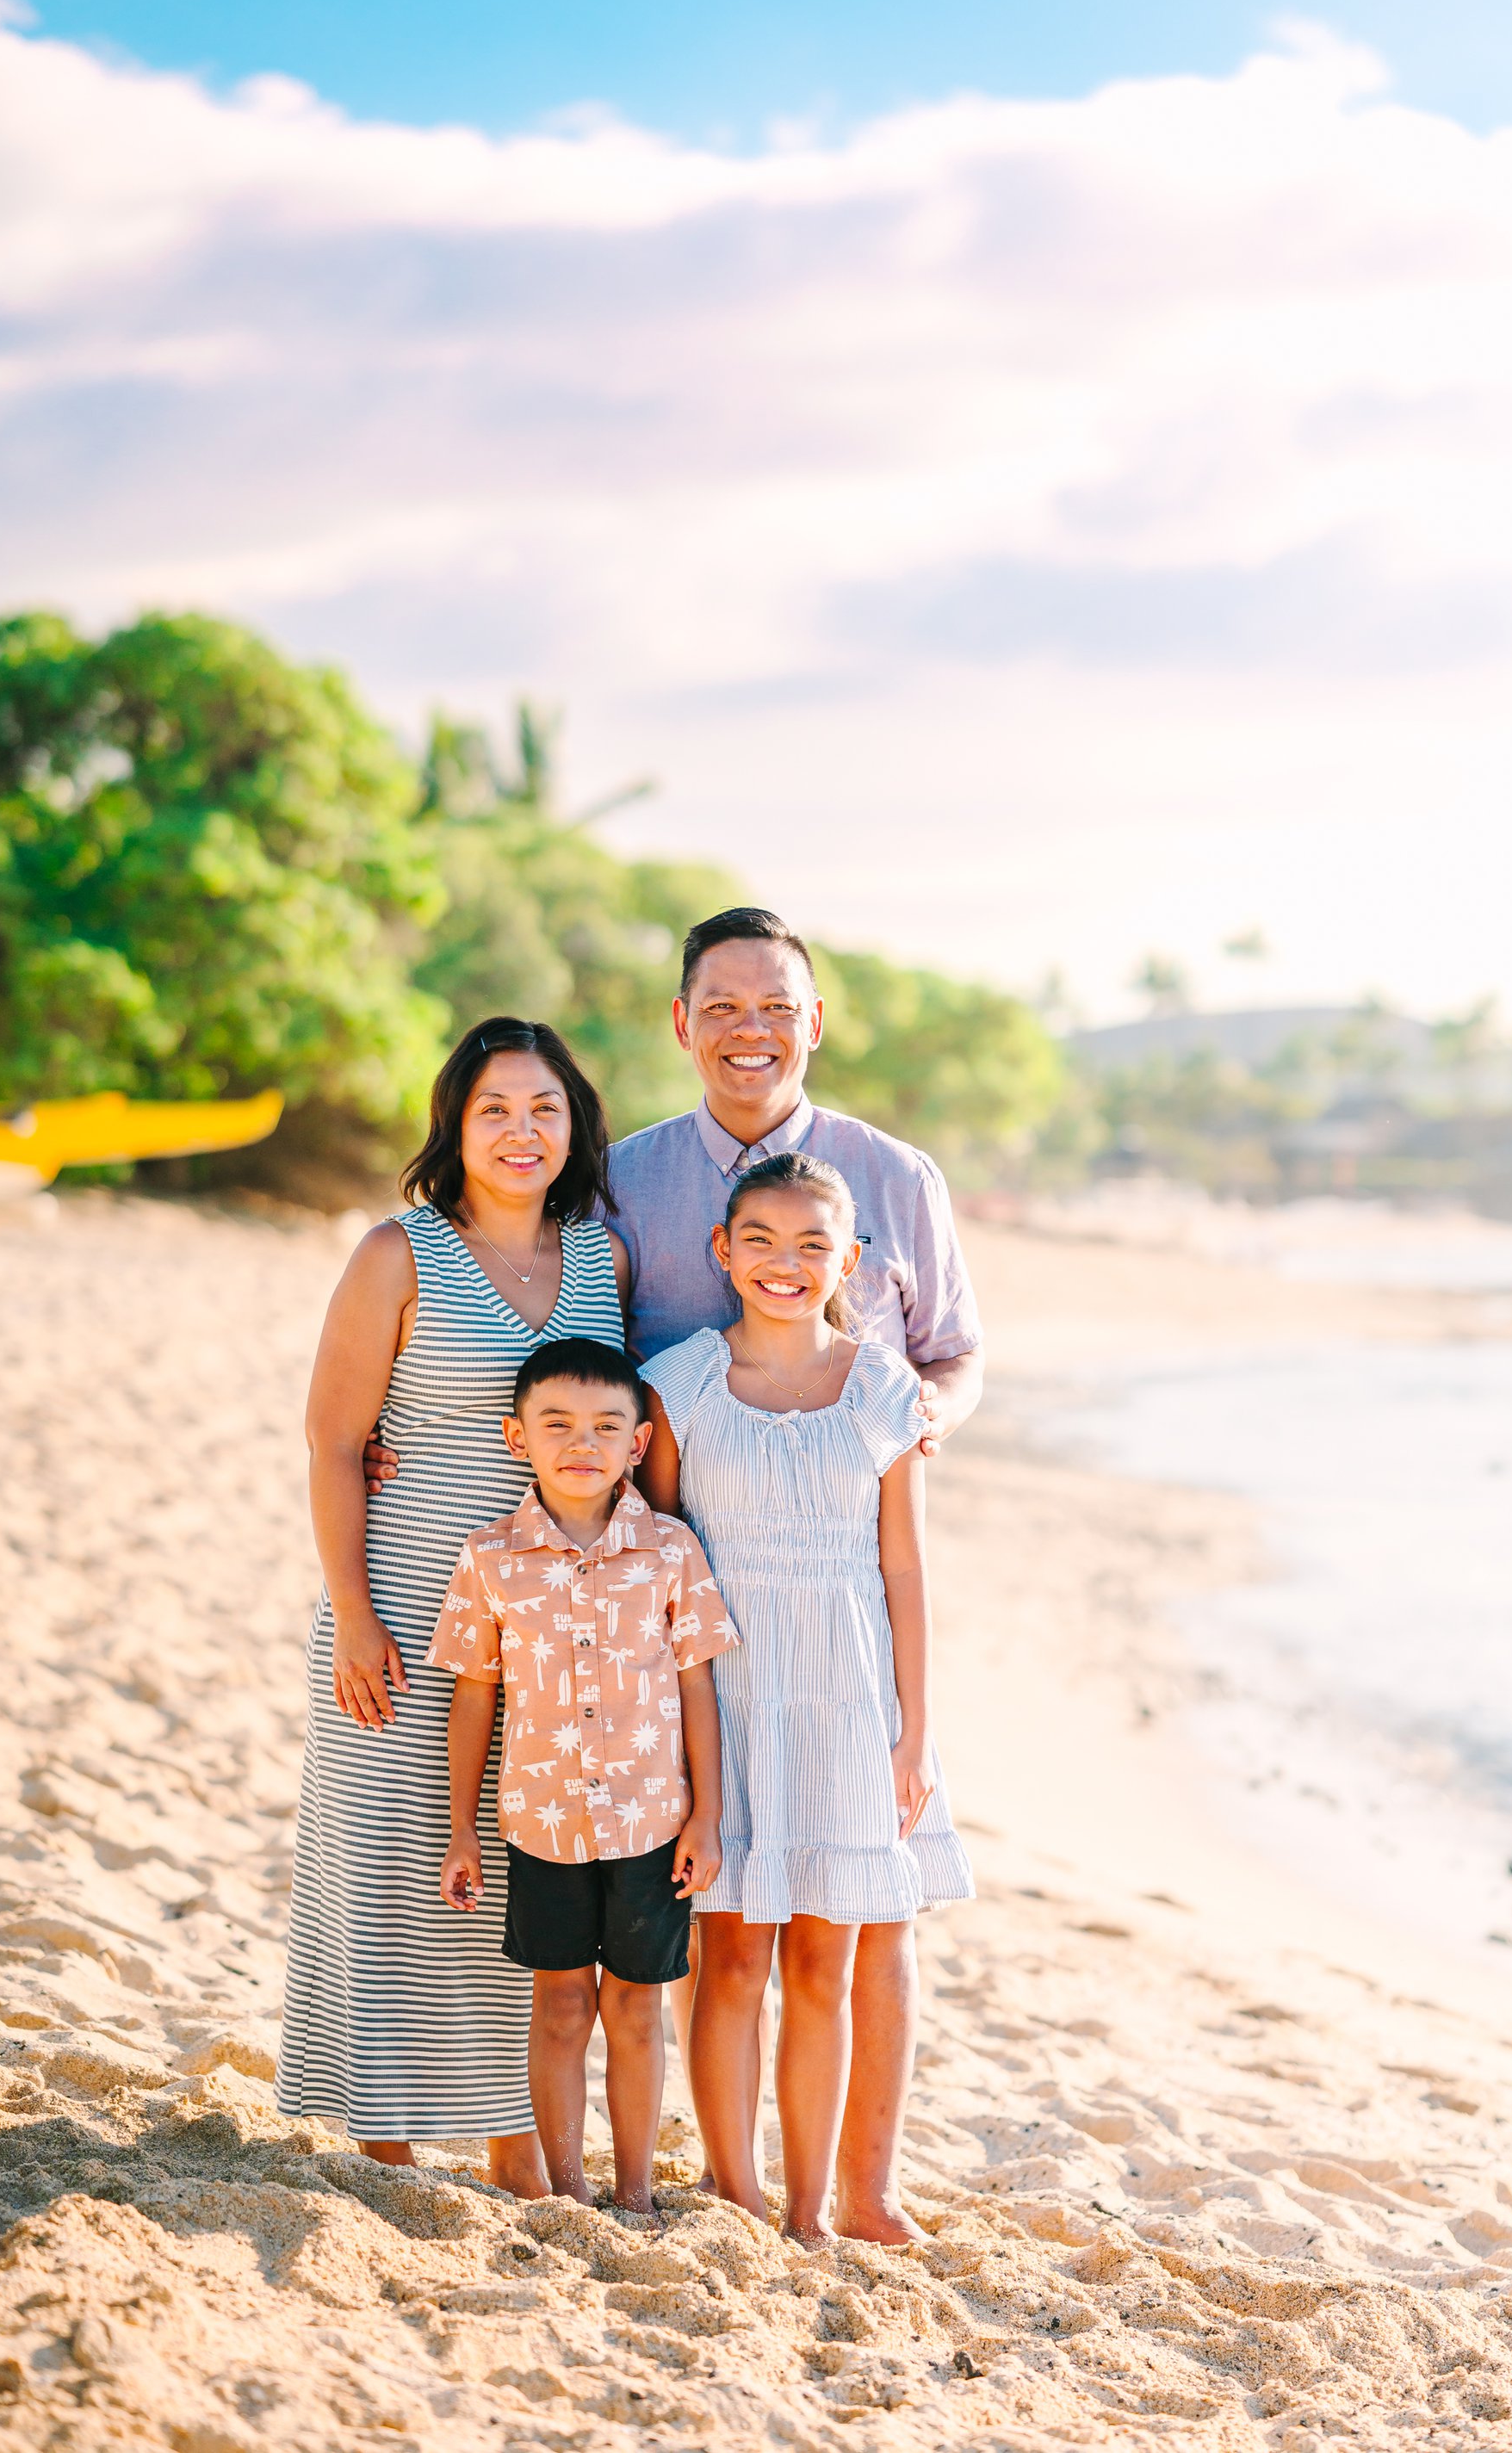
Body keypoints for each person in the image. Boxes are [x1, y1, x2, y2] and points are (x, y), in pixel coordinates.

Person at [609, 906, 984, 2242]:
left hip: (847, 1611)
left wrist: (912, 1423)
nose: (750, 1030)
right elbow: (580, 1369)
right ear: (682, 1022)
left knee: (862, 1927)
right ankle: (732, 2184)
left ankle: (854, 2195)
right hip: (707, 1625)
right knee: (723, 1932)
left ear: (815, 1022)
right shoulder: (626, 1178)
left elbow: (953, 1354)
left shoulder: (895, 1176)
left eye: (777, 1006)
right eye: (722, 1006)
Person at [276, 1017, 629, 2188]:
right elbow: (335, 1441)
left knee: (517, 1875)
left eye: (544, 1108)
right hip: (399, 1598)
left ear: (574, 1124)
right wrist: (353, 1610)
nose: (521, 1131)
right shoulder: (399, 1251)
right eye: (495, 1110)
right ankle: (381, 2139)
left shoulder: (604, 1260)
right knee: (389, 1861)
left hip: (548, 1625)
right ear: (456, 1125)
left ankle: (512, 2142)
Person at [428, 1340, 731, 2214]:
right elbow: (475, 1695)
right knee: (560, 2006)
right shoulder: (490, 1557)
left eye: (605, 1426)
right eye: (556, 1423)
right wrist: (460, 1828)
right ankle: (567, 2192)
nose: (581, 1442)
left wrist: (706, 1816)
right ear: (516, 1436)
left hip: (652, 1823)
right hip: (542, 1821)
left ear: (639, 1443)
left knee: (636, 2010)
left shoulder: (670, 1549)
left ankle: (634, 2193)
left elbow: (698, 1685)